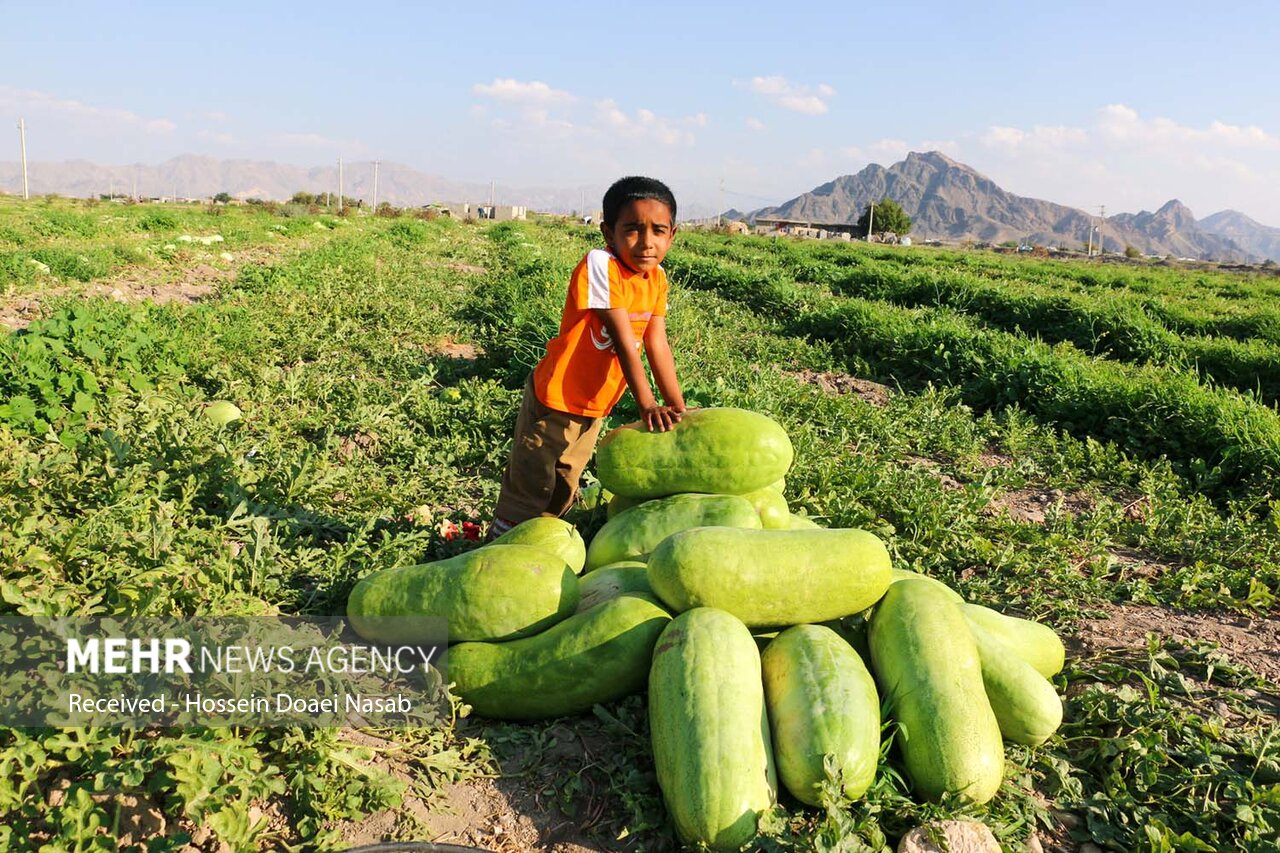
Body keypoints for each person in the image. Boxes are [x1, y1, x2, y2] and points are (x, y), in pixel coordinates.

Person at [489, 176, 686, 537]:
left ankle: (541, 544)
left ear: (672, 235)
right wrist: (647, 405)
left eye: (658, 230)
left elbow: (657, 343)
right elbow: (626, 342)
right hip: (558, 396)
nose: (646, 242)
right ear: (608, 233)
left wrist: (678, 407)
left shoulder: (656, 278)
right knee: (533, 479)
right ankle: (499, 545)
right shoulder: (602, 264)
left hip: (596, 402)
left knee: (566, 478)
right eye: (632, 230)